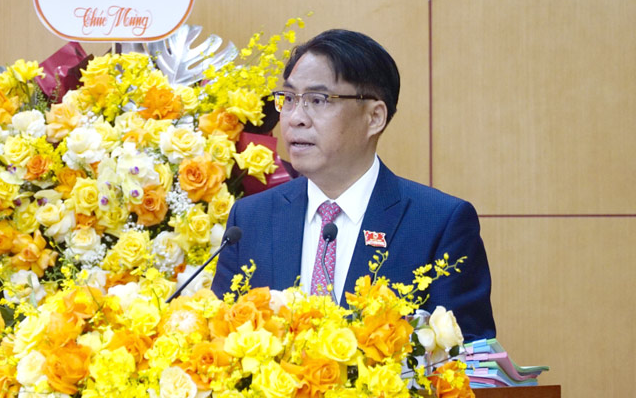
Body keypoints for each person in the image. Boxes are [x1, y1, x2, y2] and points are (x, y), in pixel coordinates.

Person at [212, 29, 495, 340]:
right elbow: (223, 341)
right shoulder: (250, 219)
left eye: (317, 100)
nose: (295, 118)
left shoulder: (437, 224)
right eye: (290, 99)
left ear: (374, 117)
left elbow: (468, 364)